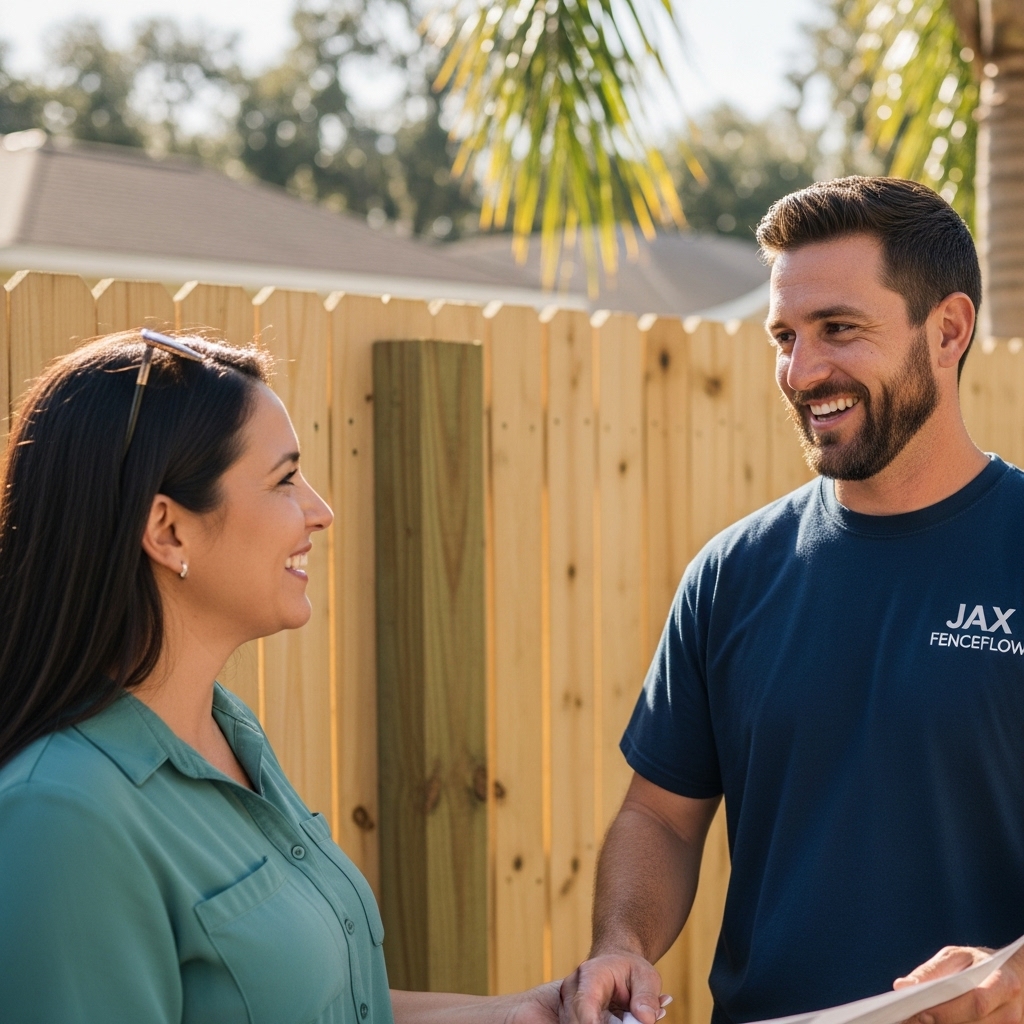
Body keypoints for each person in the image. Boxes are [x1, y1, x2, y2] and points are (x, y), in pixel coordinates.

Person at [560, 177, 1024, 1024]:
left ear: (948, 329)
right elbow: (659, 817)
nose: (802, 372)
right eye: (785, 335)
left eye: (839, 329)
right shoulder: (732, 573)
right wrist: (623, 942)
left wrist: (1016, 972)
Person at [0, 330, 559, 1024]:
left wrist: (535, 1011)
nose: (320, 511)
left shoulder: (228, 735)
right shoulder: (62, 818)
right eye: (285, 480)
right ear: (168, 531)